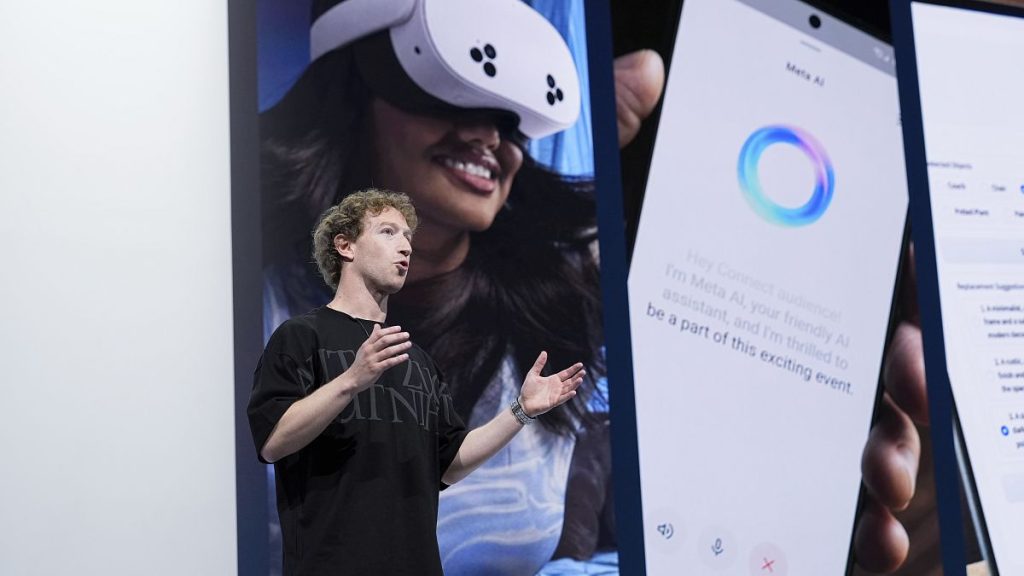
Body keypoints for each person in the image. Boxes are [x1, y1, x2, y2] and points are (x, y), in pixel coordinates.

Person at [256, 0, 928, 571]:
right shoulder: (249, 302)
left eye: (515, 114)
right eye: (454, 84)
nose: (490, 134)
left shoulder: (561, 309)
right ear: (357, 81)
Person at [248, 188, 587, 575]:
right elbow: (273, 442)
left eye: (408, 236)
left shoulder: (418, 361)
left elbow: (449, 465)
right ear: (345, 246)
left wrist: (521, 411)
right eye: (388, 232)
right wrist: (352, 379)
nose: (406, 246)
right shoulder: (300, 336)